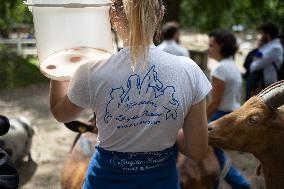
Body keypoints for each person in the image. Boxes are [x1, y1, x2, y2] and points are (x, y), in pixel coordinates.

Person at [49, 0, 211, 189]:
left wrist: (58, 66)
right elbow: (197, 150)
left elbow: (60, 113)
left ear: (112, 16)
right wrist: (164, 125)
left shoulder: (92, 71)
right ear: (159, 15)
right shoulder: (189, 71)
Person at [207, 29, 251, 189]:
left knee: (216, 156)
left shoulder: (220, 69)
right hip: (233, 114)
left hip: (221, 115)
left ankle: (242, 185)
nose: (208, 49)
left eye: (211, 45)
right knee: (214, 154)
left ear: (221, 46)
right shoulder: (232, 66)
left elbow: (215, 102)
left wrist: (202, 120)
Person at [248, 22, 283, 95]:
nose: (261, 36)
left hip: (269, 85)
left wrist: (253, 64)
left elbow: (256, 66)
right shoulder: (266, 46)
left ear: (267, 34)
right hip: (261, 83)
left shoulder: (275, 48)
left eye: (262, 33)